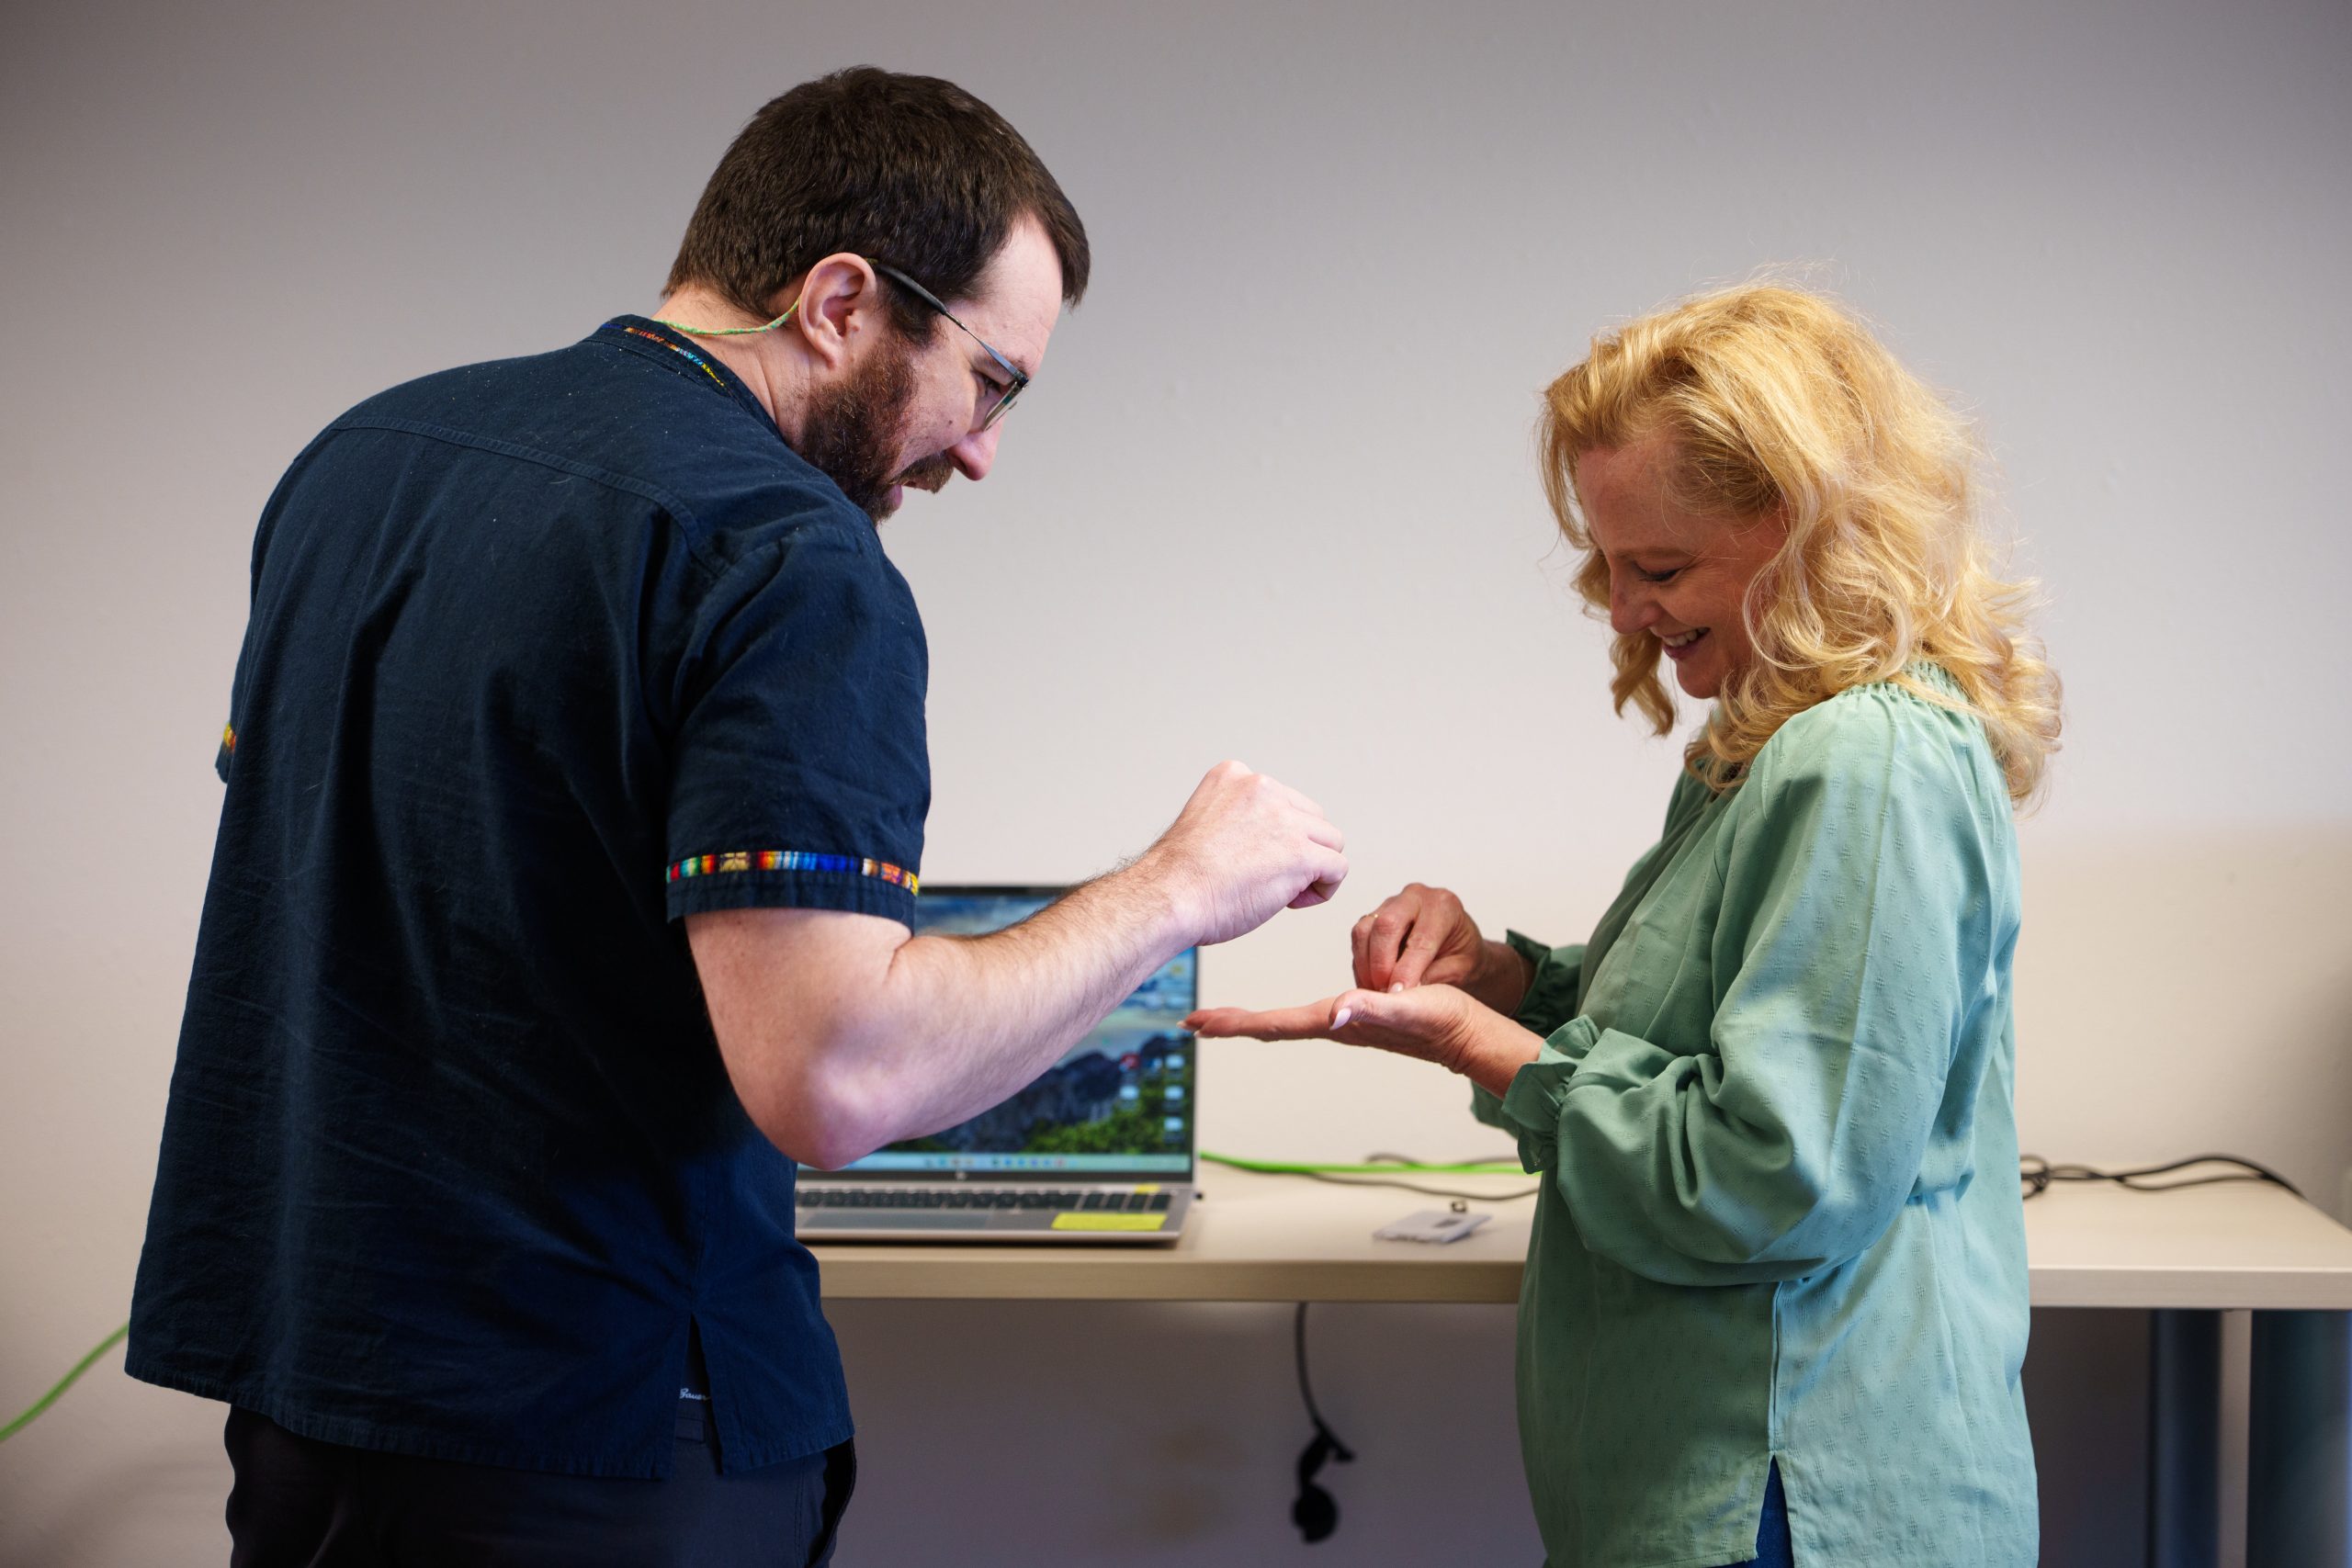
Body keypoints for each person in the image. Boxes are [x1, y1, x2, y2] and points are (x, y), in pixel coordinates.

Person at [129, 68, 1346, 1566]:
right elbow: (837, 1075)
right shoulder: (787, 556)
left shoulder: (358, 466)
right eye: (994, 380)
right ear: (840, 300)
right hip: (596, 1441)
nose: (980, 451)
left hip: (311, 1415)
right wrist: (1176, 887)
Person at [1191, 283, 2058, 1567]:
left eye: (1661, 568)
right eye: (1611, 568)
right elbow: (1714, 1016)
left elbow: (1776, 1180)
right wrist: (1499, 979)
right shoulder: (1768, 750)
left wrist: (1487, 1052)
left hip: (1790, 1505)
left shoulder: (1861, 759)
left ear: (1814, 529)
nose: (1625, 613)